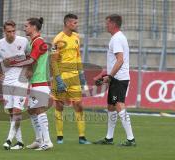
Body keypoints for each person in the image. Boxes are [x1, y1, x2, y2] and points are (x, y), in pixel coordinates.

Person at [3, 17, 53, 151]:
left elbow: (31, 60)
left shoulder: (39, 42)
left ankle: (47, 141)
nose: (24, 28)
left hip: (40, 81)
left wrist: (12, 62)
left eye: (26, 26)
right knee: (31, 111)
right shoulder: (34, 42)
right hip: (34, 81)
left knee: (39, 110)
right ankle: (38, 139)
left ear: (33, 28)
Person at [0, 20, 29, 150]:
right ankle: (20, 142)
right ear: (4, 32)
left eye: (13, 31)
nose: (11, 34)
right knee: (11, 112)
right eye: (9, 32)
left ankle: (9, 139)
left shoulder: (23, 41)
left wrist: (30, 70)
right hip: (7, 81)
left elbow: (32, 56)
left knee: (17, 110)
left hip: (21, 80)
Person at [94, 14, 136, 146]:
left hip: (119, 78)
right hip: (117, 78)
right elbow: (117, 61)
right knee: (111, 107)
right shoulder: (118, 37)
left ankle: (130, 139)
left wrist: (110, 76)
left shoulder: (117, 39)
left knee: (118, 104)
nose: (105, 25)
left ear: (113, 24)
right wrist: (107, 76)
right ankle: (109, 138)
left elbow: (120, 60)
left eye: (107, 23)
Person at [51, 13, 91, 144]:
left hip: (74, 77)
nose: (76, 25)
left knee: (79, 105)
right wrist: (58, 79)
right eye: (74, 23)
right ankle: (60, 136)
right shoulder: (58, 39)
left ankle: (82, 137)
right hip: (61, 77)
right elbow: (53, 61)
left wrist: (81, 74)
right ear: (67, 23)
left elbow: (78, 56)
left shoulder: (76, 37)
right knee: (59, 106)